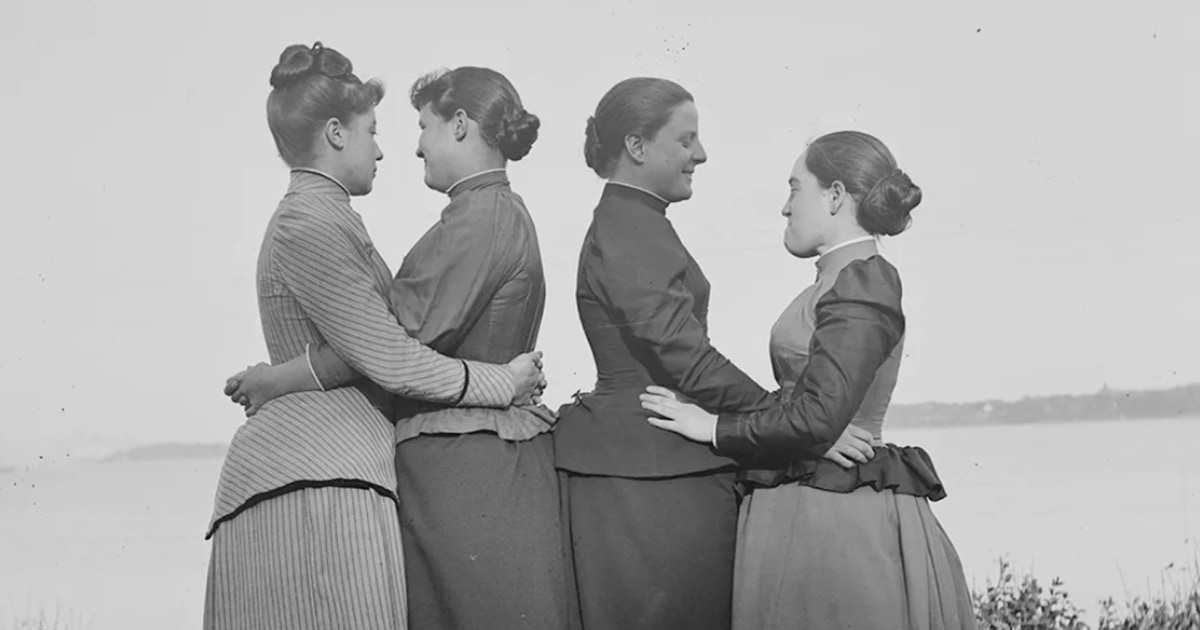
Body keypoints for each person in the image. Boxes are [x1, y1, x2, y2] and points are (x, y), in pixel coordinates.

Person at [206, 44, 543, 630]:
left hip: (335, 470)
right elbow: (388, 352)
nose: (386, 149)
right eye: (373, 131)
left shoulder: (329, 217)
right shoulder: (309, 222)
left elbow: (381, 340)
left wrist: (280, 377)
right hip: (319, 472)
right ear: (335, 134)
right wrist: (502, 382)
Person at [553, 78, 876, 630]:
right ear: (636, 147)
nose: (700, 154)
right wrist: (797, 422)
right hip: (648, 469)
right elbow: (686, 357)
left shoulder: (638, 223)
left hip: (654, 459)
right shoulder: (629, 228)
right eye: (685, 140)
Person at [640, 130, 977, 630]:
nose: (785, 207)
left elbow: (819, 416)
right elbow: (814, 410)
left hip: (836, 515)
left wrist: (712, 427)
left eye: (795, 189)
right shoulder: (835, 280)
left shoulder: (864, 279)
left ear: (835, 196)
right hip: (812, 501)